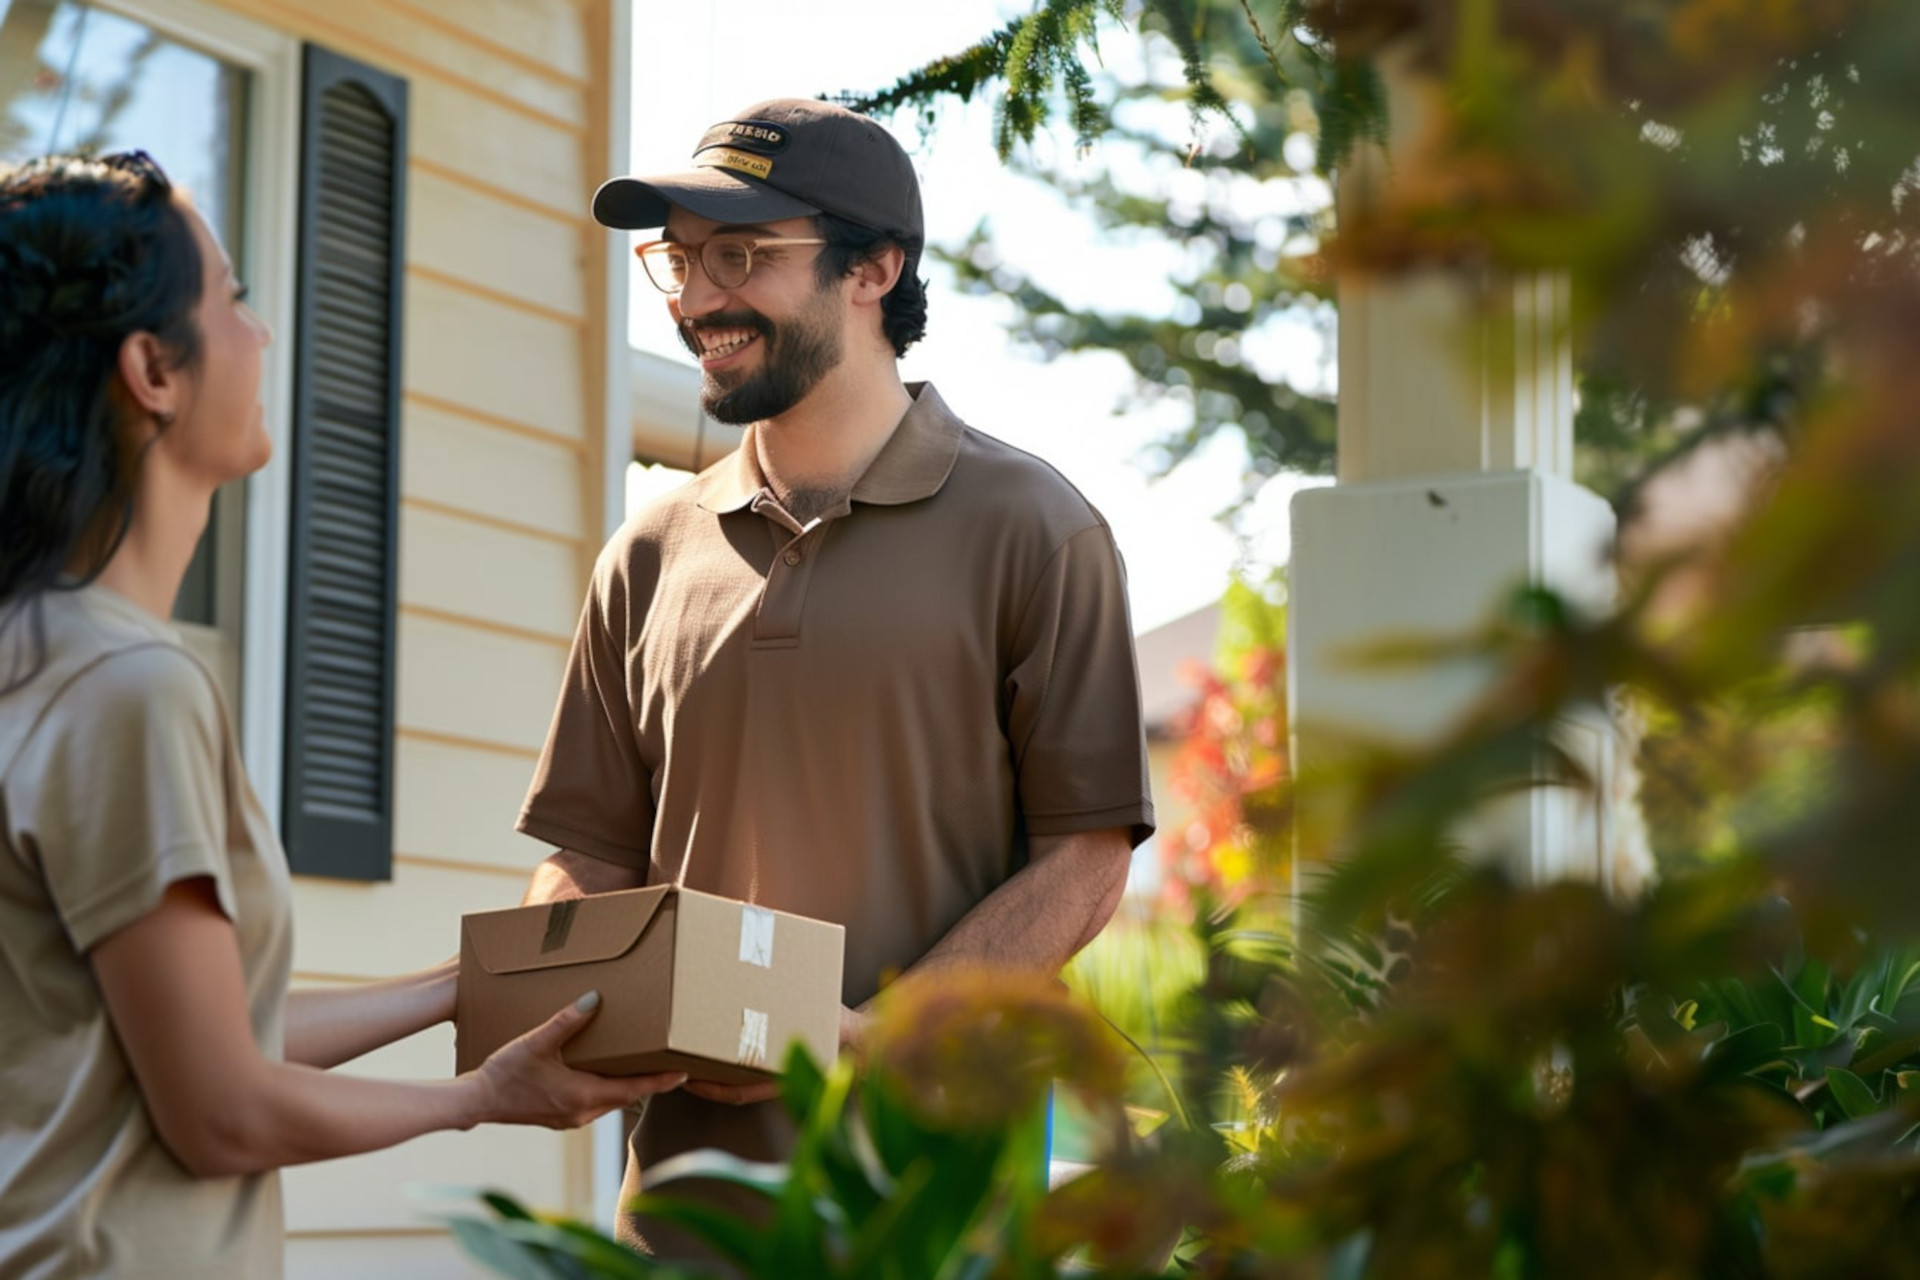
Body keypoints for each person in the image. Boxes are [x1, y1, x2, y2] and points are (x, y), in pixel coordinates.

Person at [0, 151, 689, 1280]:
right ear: (150, 370)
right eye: (230, 299)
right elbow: (219, 1110)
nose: (258, 334)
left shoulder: (38, 658)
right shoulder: (128, 689)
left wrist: (450, 992)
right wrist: (479, 1098)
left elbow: (202, 1043)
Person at [515, 98, 1155, 1251]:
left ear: (874, 267)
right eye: (680, 258)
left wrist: (859, 1036)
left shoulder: (1036, 529)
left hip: (937, 1213)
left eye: (742, 255)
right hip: (685, 1216)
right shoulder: (647, 555)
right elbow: (587, 854)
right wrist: (563, 983)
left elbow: (1085, 861)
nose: (697, 297)